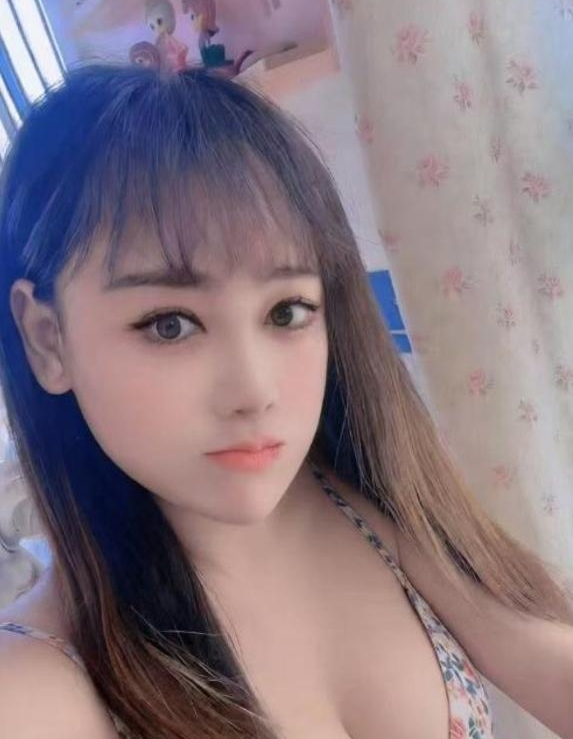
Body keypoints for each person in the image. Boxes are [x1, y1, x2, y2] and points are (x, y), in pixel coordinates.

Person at [0, 64, 571, 739]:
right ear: (48, 340)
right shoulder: (35, 684)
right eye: (170, 325)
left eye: (286, 311)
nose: (255, 391)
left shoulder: (364, 503)